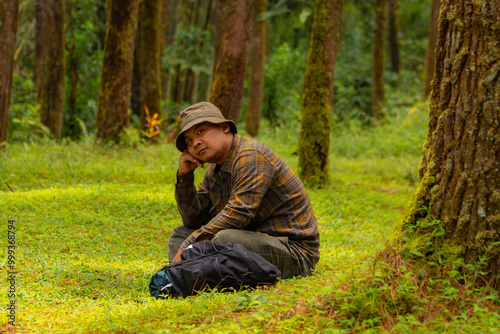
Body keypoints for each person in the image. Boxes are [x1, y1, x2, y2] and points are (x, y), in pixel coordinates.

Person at [168, 102, 319, 279]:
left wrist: (189, 245)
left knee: (224, 239)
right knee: (180, 234)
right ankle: (185, 278)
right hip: (251, 240)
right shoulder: (214, 170)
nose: (196, 143)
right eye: (189, 140)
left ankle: (188, 275)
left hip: (293, 253)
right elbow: (192, 220)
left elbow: (239, 213)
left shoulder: (251, 155)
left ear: (225, 127)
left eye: (201, 131)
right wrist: (184, 177)